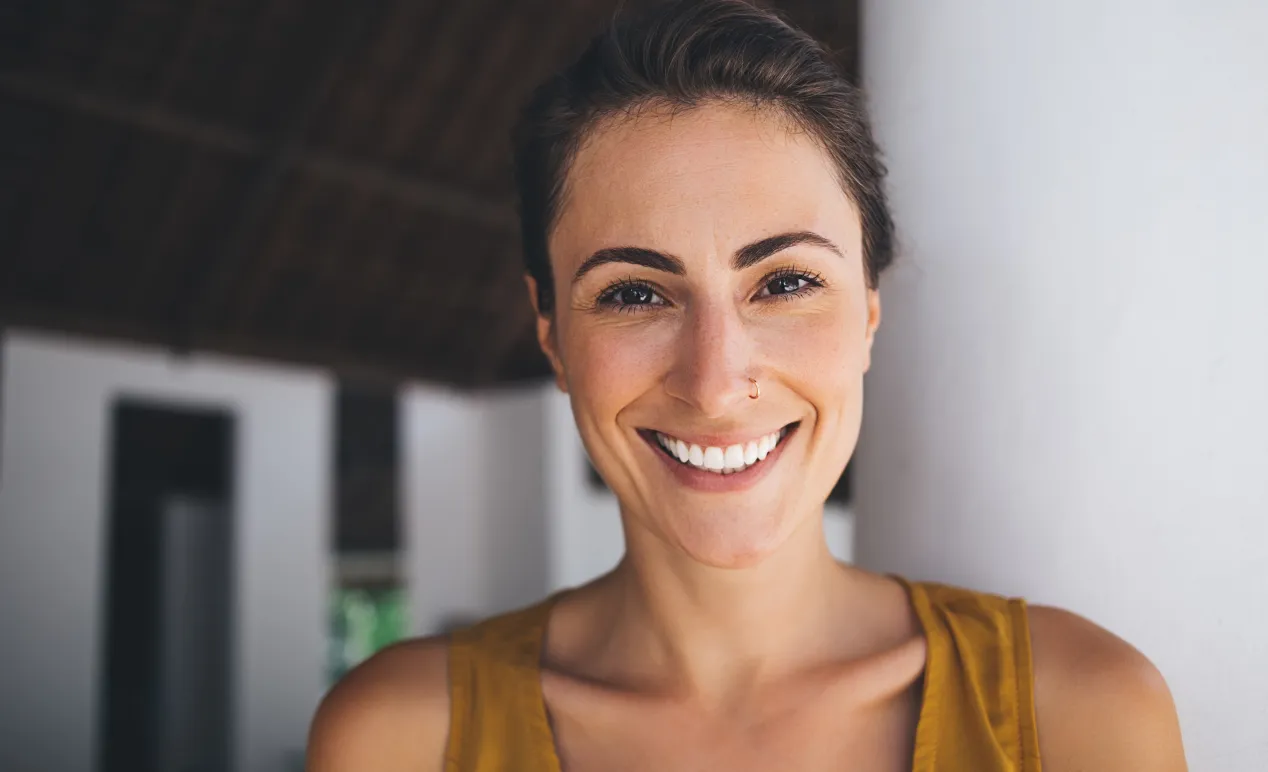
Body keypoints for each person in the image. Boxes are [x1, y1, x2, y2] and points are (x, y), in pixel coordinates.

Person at [307, 1, 1187, 769]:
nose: (717, 381)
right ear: (552, 331)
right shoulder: (404, 738)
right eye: (635, 293)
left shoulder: (1081, 716)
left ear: (868, 311)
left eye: (787, 282)